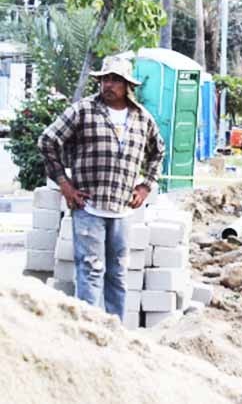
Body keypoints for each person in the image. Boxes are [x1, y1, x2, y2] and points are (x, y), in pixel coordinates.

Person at [38, 56, 165, 320]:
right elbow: (48, 140)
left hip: (121, 209)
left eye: (115, 80)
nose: (108, 85)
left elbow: (158, 152)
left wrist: (145, 187)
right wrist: (64, 184)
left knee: (118, 274)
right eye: (105, 79)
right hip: (89, 207)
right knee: (91, 271)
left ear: (127, 85)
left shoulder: (142, 118)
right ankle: (89, 332)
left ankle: (115, 333)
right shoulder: (83, 110)